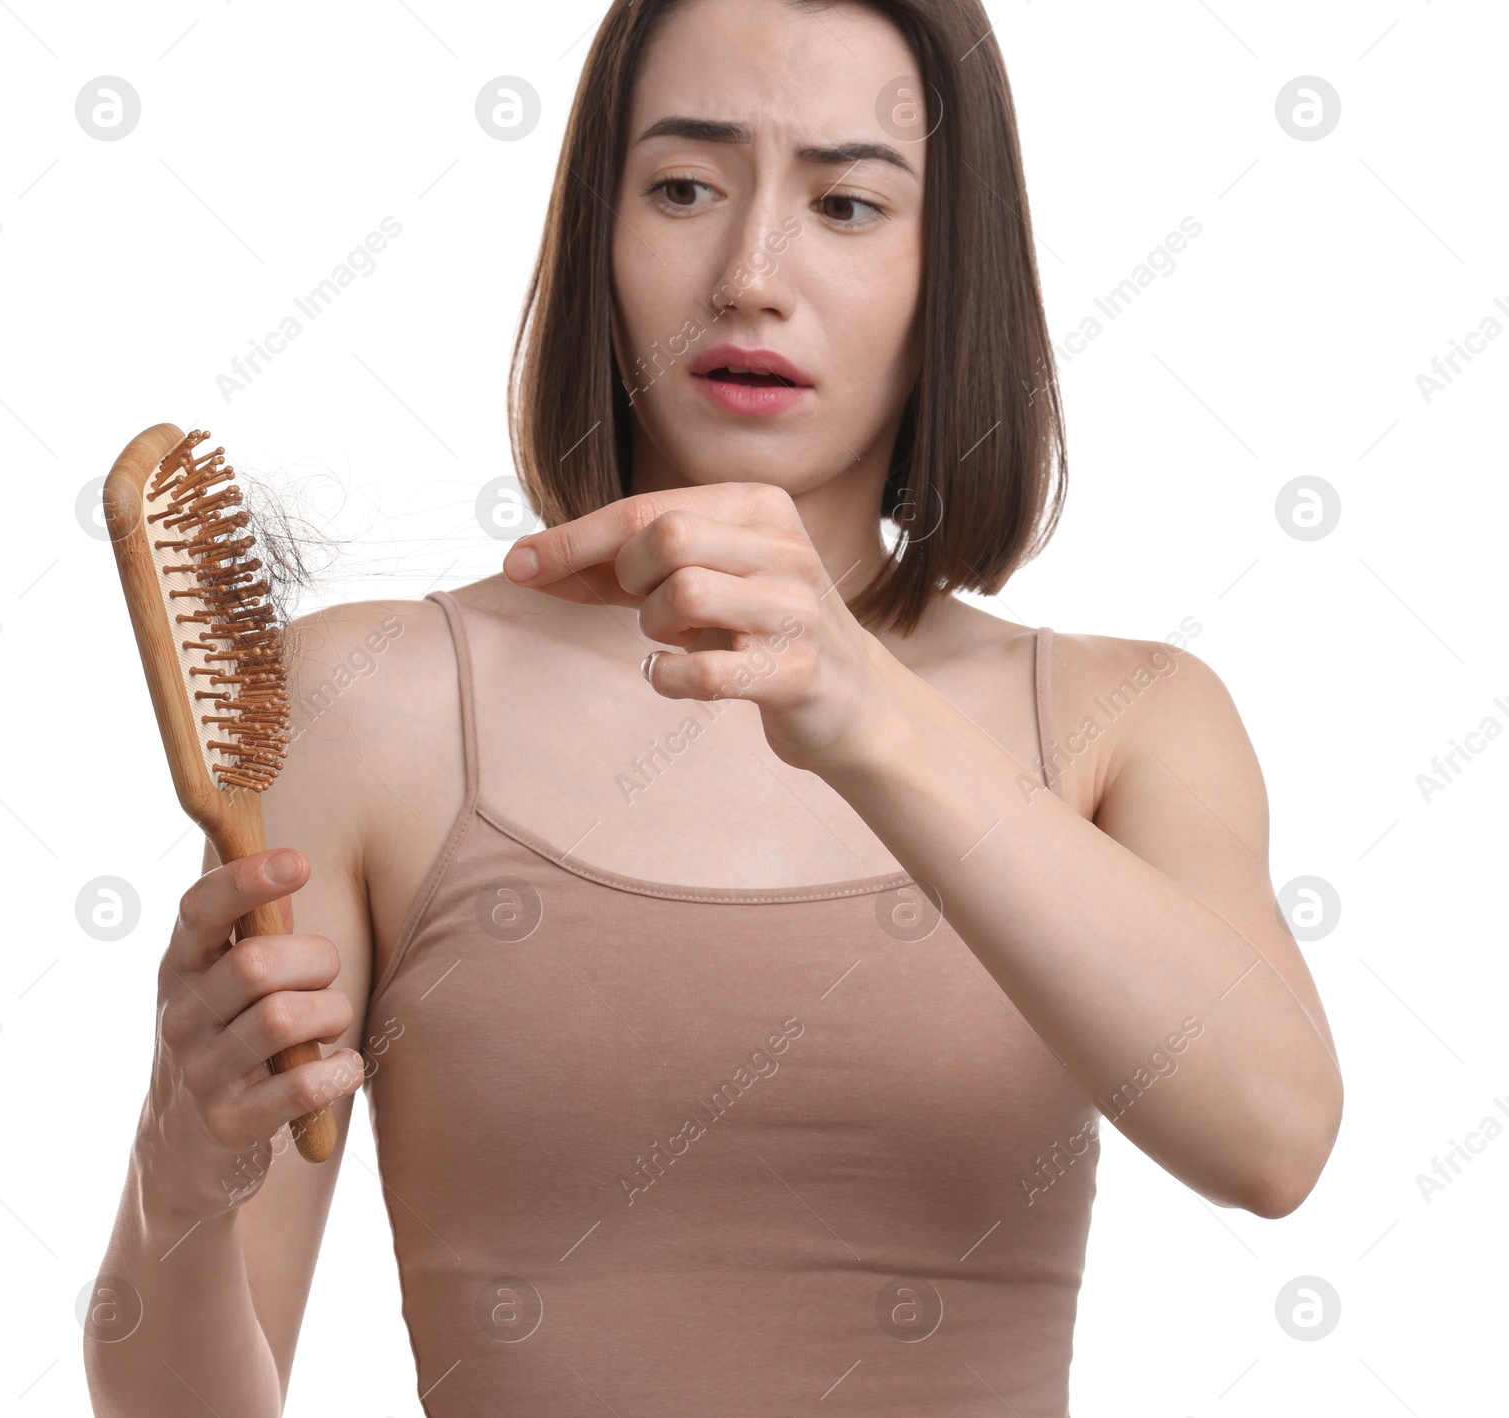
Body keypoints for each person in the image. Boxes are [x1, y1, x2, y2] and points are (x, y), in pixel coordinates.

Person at [86, 0, 1342, 1413]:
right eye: (684, 186)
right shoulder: (367, 706)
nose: (751, 275)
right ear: (598, 239)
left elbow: (1276, 1139)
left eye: (849, 203)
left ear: (953, 269)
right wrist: (180, 1172)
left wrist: (859, 702)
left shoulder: (1131, 721)